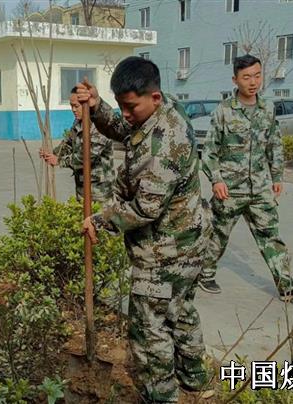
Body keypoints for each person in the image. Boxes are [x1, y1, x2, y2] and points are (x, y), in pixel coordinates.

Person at [77, 56, 213, 403]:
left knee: (149, 329)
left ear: (153, 97)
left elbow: (145, 208)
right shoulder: (162, 109)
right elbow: (125, 129)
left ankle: (161, 395)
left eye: (130, 106)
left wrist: (100, 220)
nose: (125, 113)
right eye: (120, 105)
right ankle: (195, 379)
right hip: (188, 242)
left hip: (164, 252)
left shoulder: (164, 144)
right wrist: (98, 107)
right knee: (180, 310)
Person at [199, 54, 293, 302]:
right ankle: (204, 274)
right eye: (247, 77)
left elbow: (274, 144)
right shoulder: (224, 111)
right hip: (229, 189)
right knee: (218, 235)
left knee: (270, 235)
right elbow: (209, 151)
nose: (253, 82)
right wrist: (216, 180)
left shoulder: (267, 109)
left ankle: (286, 285)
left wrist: (277, 175)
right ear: (235, 80)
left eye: (257, 76)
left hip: (259, 188)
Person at [39, 87, 115, 203]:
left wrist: (59, 161)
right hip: (82, 188)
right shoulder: (78, 122)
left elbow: (86, 157)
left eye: (76, 106)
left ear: (88, 105)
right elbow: (68, 143)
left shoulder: (100, 125)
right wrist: (52, 153)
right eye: (71, 106)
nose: (73, 110)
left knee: (99, 215)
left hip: (100, 191)